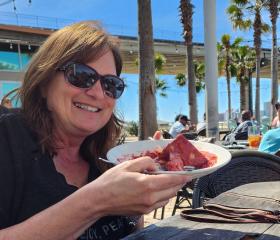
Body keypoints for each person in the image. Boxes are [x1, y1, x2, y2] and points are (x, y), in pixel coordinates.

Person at [0, 21, 189, 239]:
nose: (98, 93)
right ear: (44, 83)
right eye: (81, 75)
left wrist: (143, 185)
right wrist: (97, 201)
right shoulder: (8, 139)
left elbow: (131, 232)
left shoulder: (107, 157)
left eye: (111, 84)